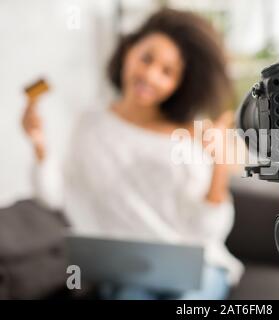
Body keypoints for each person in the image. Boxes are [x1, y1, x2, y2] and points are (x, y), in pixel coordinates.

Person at [21, 8, 243, 300]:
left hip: (200, 269)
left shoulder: (190, 135)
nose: (150, 76)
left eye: (167, 72)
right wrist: (39, 145)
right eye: (146, 58)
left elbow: (208, 230)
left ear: (179, 84)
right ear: (128, 51)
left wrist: (220, 168)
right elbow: (55, 195)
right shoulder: (90, 123)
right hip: (127, 270)